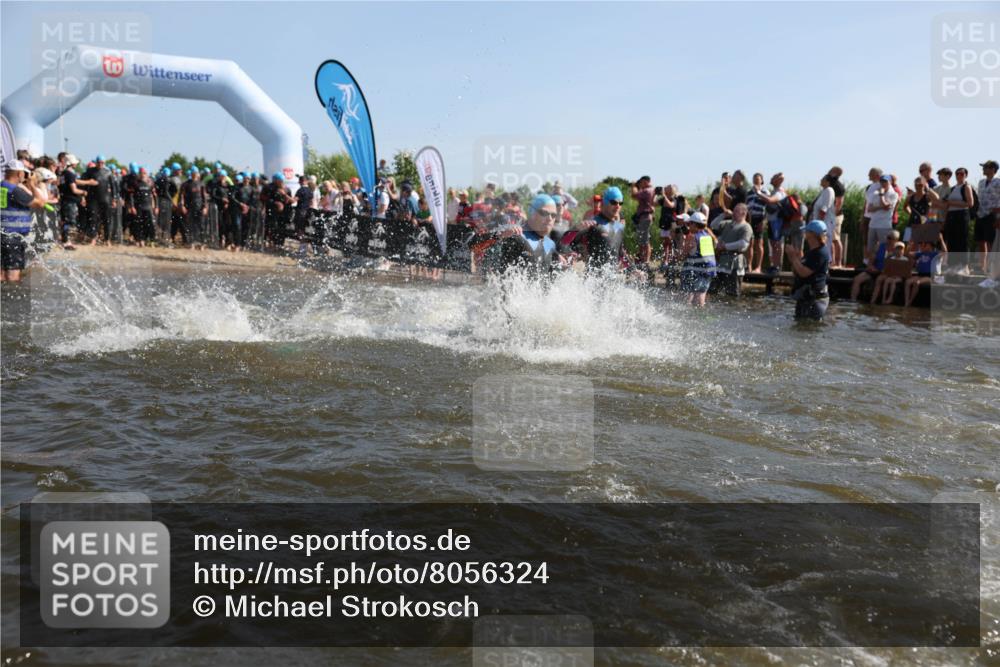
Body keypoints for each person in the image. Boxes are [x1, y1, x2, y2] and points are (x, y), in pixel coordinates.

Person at [1, 161, 48, 282]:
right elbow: (41, 202)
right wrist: (32, 184)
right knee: (13, 277)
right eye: (23, 173)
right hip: (13, 238)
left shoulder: (2, 187)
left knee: (2, 275)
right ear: (19, 173)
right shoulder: (15, 191)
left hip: (3, 234)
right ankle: (11, 299)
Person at [787, 220, 831, 321]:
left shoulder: (821, 253)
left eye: (806, 231)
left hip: (815, 300)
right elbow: (797, 271)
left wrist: (794, 257)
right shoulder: (810, 252)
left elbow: (803, 273)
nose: (805, 233)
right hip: (805, 298)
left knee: (810, 330)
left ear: (813, 234)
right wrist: (794, 259)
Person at [577, 186, 626, 270]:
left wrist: (633, 270)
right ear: (604, 203)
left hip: (612, 279)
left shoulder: (619, 227)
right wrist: (576, 229)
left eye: (620, 203)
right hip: (593, 280)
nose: (618, 206)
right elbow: (566, 243)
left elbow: (621, 253)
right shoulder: (593, 224)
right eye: (613, 202)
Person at [712, 202, 753, 297]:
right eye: (733, 211)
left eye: (736, 211)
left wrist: (725, 246)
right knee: (714, 292)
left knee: (732, 295)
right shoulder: (728, 223)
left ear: (743, 213)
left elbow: (743, 244)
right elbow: (713, 225)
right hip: (721, 263)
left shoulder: (746, 227)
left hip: (735, 264)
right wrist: (723, 215)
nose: (733, 213)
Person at [679, 211, 716, 307]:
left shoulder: (692, 237)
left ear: (695, 224)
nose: (688, 226)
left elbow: (681, 256)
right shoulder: (708, 236)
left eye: (690, 223)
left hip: (696, 271)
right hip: (708, 272)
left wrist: (683, 240)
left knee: (687, 299)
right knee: (700, 298)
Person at [851, 229, 900, 300]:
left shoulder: (898, 250)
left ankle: (872, 302)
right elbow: (871, 261)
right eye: (887, 237)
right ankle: (853, 300)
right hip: (875, 270)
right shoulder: (879, 246)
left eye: (890, 238)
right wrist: (871, 267)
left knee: (879, 280)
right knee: (857, 279)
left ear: (896, 240)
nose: (887, 239)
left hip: (886, 273)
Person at [943, 167, 974, 272]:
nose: (959, 176)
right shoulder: (953, 188)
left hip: (961, 215)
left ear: (965, 175)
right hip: (951, 216)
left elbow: (970, 203)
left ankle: (964, 266)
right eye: (957, 173)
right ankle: (952, 265)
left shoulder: (966, 187)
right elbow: (947, 205)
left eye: (961, 174)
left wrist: (952, 203)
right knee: (952, 241)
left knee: (962, 241)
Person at [758, 172, 787, 274]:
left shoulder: (780, 192)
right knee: (773, 244)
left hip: (777, 221)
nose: (771, 178)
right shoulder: (774, 190)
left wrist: (758, 193)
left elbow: (770, 200)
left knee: (777, 244)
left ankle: (777, 266)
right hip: (771, 221)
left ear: (778, 180)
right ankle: (774, 265)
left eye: (773, 177)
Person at [904, 237, 947, 307]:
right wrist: (910, 244)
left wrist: (941, 239)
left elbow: (945, 252)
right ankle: (906, 302)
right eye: (921, 244)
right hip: (921, 275)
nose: (922, 246)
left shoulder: (935, 254)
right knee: (907, 282)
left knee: (916, 282)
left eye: (925, 244)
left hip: (933, 277)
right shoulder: (920, 254)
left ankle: (910, 302)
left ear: (930, 246)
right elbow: (906, 254)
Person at [975, 160, 1000, 274]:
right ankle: (982, 267)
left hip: (992, 215)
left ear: (993, 169)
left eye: (986, 167)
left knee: (991, 243)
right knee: (981, 242)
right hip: (980, 214)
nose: (983, 169)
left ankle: (992, 267)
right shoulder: (980, 182)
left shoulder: (998, 182)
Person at [865, 173, 899, 257]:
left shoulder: (894, 194)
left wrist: (881, 195)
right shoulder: (875, 193)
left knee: (885, 248)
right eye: (881, 182)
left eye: (885, 182)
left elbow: (886, 206)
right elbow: (869, 209)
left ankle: (883, 266)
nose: (883, 184)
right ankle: (870, 266)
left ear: (890, 182)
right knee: (870, 248)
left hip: (884, 226)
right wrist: (881, 207)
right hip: (873, 224)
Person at [58, 154, 87, 249]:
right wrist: (84, 192)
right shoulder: (70, 174)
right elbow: (74, 189)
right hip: (70, 201)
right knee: (70, 221)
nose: (76, 164)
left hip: (64, 200)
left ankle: (65, 240)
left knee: (64, 220)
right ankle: (67, 242)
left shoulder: (63, 173)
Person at [903, 177, 939, 242]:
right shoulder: (910, 197)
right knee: (908, 243)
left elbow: (937, 198)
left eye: (920, 185)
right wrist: (911, 213)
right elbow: (905, 207)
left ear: (924, 185)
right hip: (911, 223)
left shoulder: (927, 196)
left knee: (921, 244)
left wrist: (928, 189)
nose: (918, 186)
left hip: (923, 224)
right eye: (916, 184)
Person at [745, 173, 769, 273]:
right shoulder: (749, 192)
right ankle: (749, 266)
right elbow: (746, 207)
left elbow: (768, 207)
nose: (755, 180)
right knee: (750, 243)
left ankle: (758, 267)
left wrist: (764, 221)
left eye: (757, 179)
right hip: (750, 218)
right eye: (754, 179)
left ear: (762, 180)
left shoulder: (765, 191)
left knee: (759, 243)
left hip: (760, 218)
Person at [179, 168, 207, 249]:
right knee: (190, 225)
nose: (195, 174)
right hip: (190, 207)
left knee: (201, 225)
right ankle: (191, 243)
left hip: (200, 207)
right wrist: (182, 205)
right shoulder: (186, 184)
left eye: (196, 173)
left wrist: (205, 207)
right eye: (193, 173)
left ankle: (202, 243)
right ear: (191, 174)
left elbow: (204, 196)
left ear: (198, 174)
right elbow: (182, 196)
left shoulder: (201, 184)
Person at [630, 175, 655, 266]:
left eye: (640, 183)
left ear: (645, 181)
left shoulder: (647, 191)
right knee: (642, 239)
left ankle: (646, 261)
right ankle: (642, 258)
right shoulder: (650, 190)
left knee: (645, 240)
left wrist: (633, 186)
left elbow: (634, 195)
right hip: (644, 217)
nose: (640, 185)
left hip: (645, 217)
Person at [129, 167, 157, 247]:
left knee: (149, 224)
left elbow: (155, 196)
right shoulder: (135, 183)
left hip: (148, 206)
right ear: (139, 174)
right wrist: (132, 206)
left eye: (144, 173)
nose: (142, 175)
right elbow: (131, 195)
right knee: (138, 224)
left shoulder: (150, 183)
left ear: (146, 174)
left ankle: (150, 240)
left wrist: (156, 206)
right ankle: (139, 239)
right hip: (138, 207)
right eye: (141, 173)